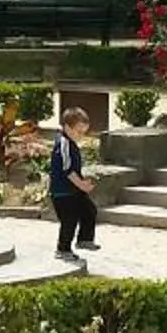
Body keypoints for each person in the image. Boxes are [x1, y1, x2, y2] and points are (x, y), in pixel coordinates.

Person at [46, 107, 99, 260]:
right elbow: (67, 169)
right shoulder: (63, 143)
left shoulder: (71, 142)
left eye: (84, 132)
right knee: (69, 220)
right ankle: (63, 249)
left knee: (90, 210)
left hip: (74, 190)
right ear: (67, 127)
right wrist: (82, 185)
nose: (82, 136)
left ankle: (84, 239)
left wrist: (82, 183)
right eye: (79, 132)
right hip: (62, 192)